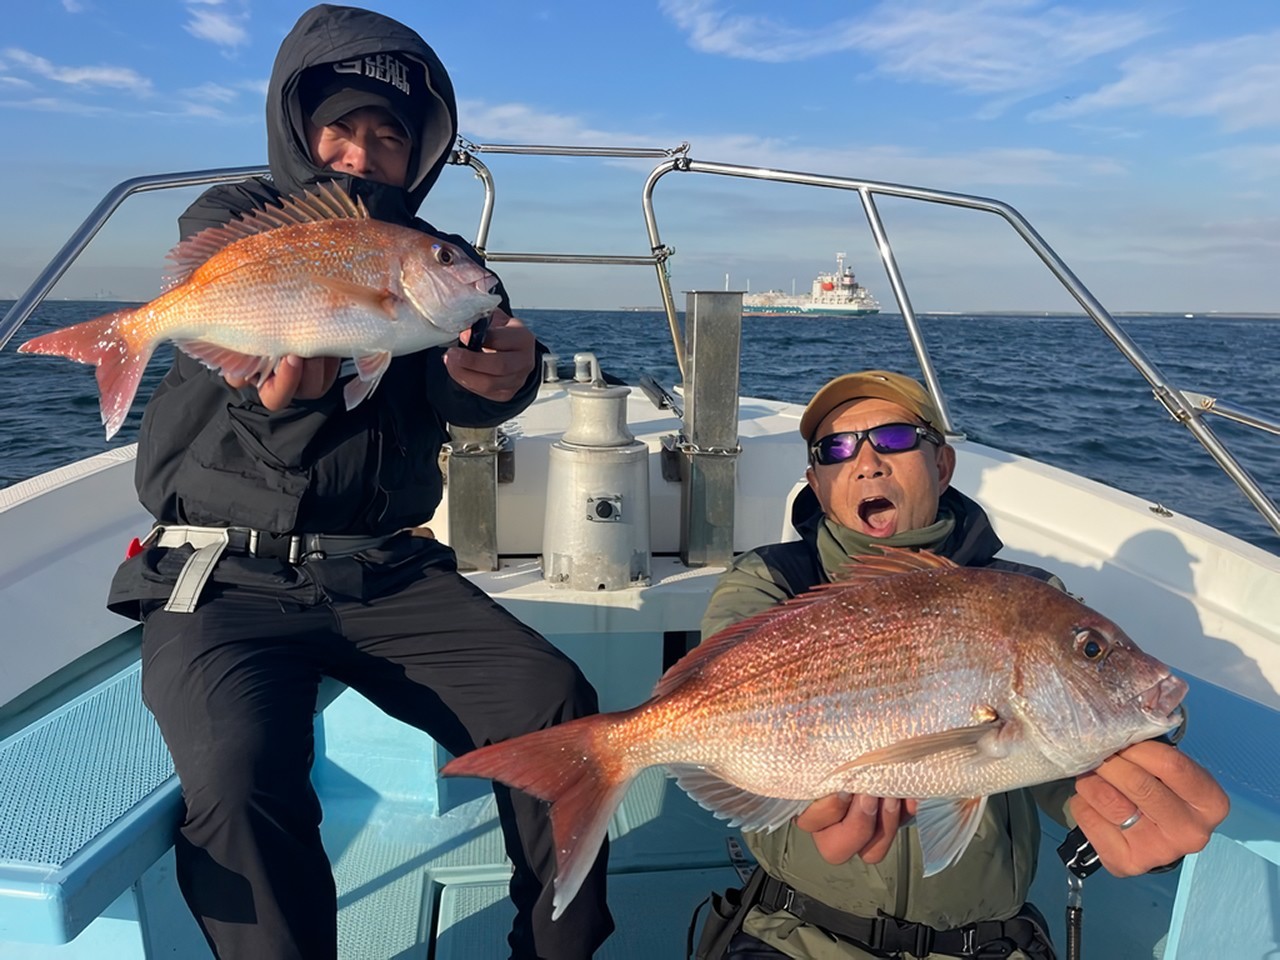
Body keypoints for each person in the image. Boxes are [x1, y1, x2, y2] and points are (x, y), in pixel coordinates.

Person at [105, 6, 613, 959]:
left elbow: (459, 380)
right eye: (340, 126)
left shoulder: (430, 259)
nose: (361, 151)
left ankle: (556, 951)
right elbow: (257, 413)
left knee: (558, 702)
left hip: (385, 570)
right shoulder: (234, 225)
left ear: (421, 151)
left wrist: (507, 381)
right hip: (220, 574)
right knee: (239, 770)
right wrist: (283, 399)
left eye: (390, 134)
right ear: (299, 131)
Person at [694, 370, 1229, 960]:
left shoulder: (1033, 599)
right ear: (818, 485)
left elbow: (1070, 768)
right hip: (793, 934)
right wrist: (799, 811)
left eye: (894, 438)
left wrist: (1137, 814)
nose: (867, 462)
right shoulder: (770, 583)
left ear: (942, 464)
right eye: (836, 448)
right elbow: (720, 720)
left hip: (988, 946)